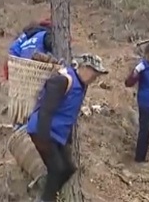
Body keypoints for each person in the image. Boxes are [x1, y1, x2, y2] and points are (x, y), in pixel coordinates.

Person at [26, 54, 109, 202]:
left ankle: (45, 189)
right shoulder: (63, 80)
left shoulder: (82, 85)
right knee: (56, 168)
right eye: (94, 73)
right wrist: (44, 137)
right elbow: (46, 109)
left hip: (57, 134)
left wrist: (67, 140)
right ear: (84, 67)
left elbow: (70, 113)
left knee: (69, 168)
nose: (95, 78)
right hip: (43, 130)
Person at [0, 18, 54, 84]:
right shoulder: (45, 36)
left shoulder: (22, 38)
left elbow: (10, 58)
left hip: (22, 80)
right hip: (40, 78)